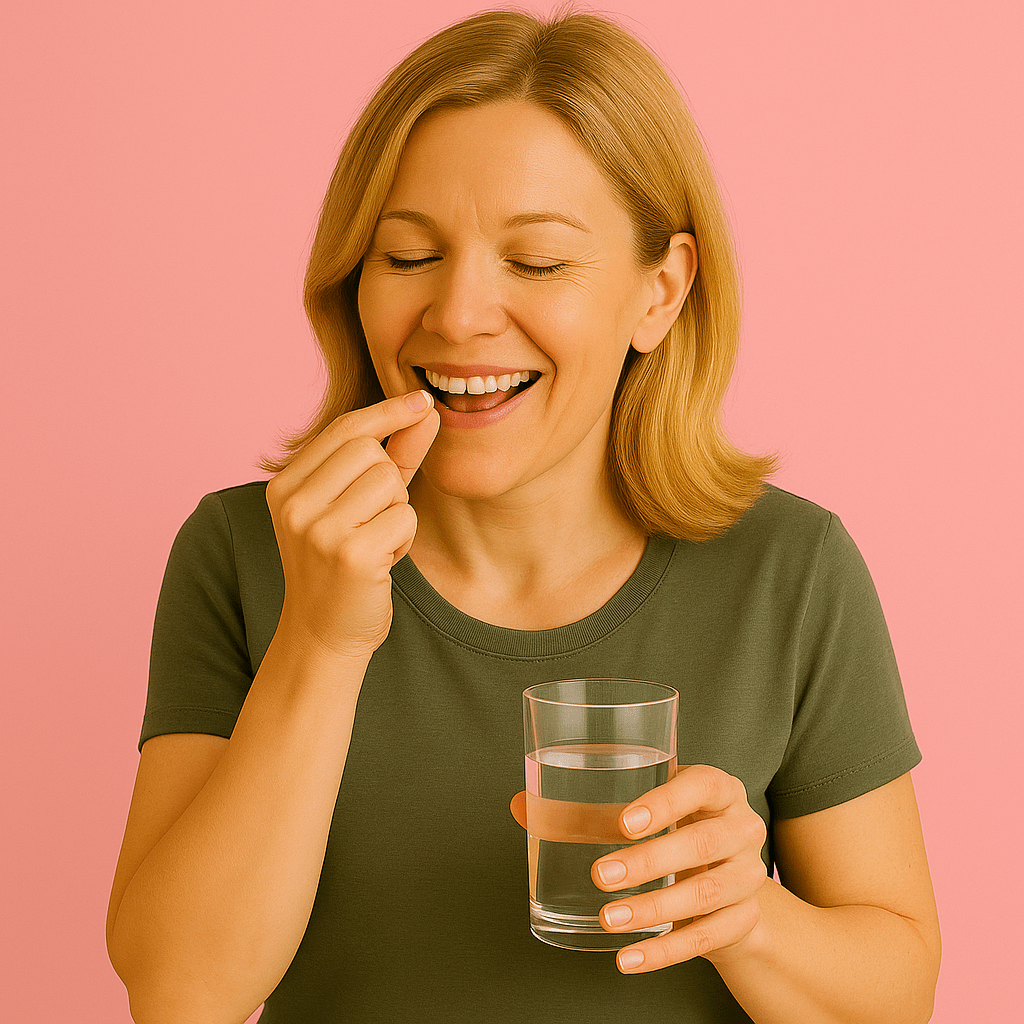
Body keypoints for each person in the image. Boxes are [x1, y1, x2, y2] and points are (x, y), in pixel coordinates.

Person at [106, 7, 940, 1023]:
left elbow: (897, 991)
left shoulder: (790, 568)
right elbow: (179, 991)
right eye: (407, 255)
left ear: (661, 291)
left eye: (536, 262)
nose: (457, 315)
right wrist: (319, 641)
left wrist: (750, 913)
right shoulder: (246, 552)